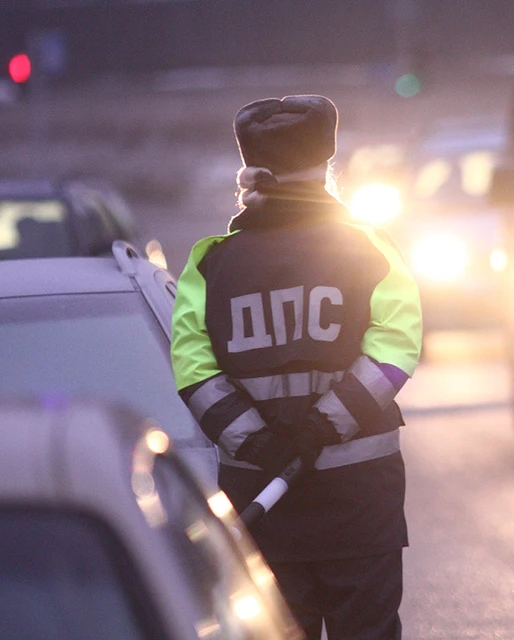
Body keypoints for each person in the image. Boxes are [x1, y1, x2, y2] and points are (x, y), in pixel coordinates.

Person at [170, 94, 422, 640]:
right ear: (327, 169)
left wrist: (257, 442)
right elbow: (396, 347)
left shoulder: (211, 263)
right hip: (360, 504)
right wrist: (324, 425)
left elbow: (193, 367)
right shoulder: (369, 248)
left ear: (253, 172)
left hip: (264, 508)